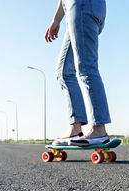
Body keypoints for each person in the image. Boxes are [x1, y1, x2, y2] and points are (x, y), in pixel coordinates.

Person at [45, 0, 111, 146]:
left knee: (86, 68)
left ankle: (99, 129)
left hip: (83, 6)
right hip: (76, 8)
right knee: (63, 71)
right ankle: (75, 128)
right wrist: (56, 20)